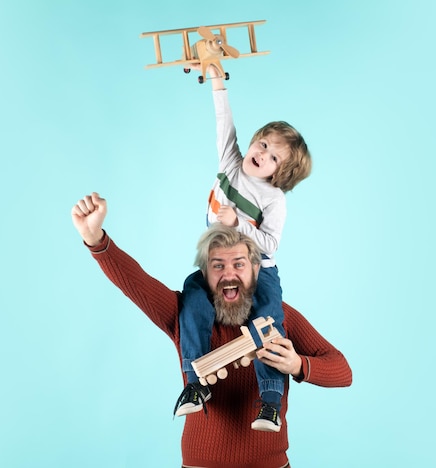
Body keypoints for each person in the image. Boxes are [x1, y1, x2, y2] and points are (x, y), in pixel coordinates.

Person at [71, 192, 352, 468]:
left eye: (239, 264)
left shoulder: (280, 318)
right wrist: (96, 240)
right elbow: (136, 283)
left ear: (256, 270)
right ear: (204, 273)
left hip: (270, 463)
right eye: (218, 265)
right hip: (201, 463)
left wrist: (297, 364)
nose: (229, 274)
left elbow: (342, 370)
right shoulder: (183, 315)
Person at [177, 63, 313, 432]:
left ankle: (270, 400)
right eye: (264, 143)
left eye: (273, 157)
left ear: (279, 173)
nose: (262, 153)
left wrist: (239, 224)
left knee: (268, 318)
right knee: (192, 296)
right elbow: (224, 122)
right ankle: (194, 384)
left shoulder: (274, 199)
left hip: (257, 269)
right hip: (219, 263)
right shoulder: (231, 164)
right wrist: (217, 79)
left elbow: (270, 245)